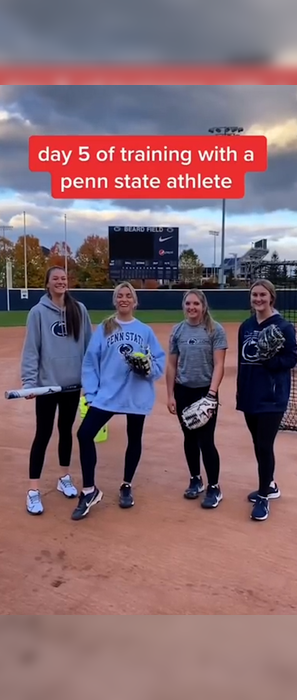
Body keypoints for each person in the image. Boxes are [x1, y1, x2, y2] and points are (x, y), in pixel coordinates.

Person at [71, 281, 166, 521]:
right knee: (84, 435)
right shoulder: (105, 327)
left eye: (128, 296)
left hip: (135, 393)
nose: (124, 299)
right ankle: (90, 490)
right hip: (108, 394)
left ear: (135, 301)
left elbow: (159, 362)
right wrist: (91, 394)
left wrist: (148, 369)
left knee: (134, 438)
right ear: (115, 301)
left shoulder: (145, 331)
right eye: (119, 296)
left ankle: (126, 485)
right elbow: (90, 362)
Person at [21, 266, 93, 515]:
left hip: (71, 385)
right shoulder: (38, 313)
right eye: (56, 279)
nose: (61, 282)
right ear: (48, 284)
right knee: (43, 433)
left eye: (64, 278)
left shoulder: (79, 310)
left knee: (66, 431)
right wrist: (30, 383)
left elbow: (88, 348)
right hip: (47, 386)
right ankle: (33, 491)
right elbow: (32, 350)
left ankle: (64, 477)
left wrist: (90, 382)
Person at [236, 278, 297, 521]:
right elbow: (243, 362)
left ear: (271, 297)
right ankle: (269, 485)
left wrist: (273, 361)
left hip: (272, 396)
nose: (258, 299)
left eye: (263, 295)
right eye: (254, 296)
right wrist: (240, 389)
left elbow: (292, 358)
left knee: (264, 445)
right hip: (250, 394)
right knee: (257, 444)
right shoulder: (246, 326)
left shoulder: (284, 326)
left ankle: (263, 496)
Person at [166, 289, 228, 509]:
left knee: (206, 440)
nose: (192, 307)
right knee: (189, 437)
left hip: (205, 392)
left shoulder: (215, 330)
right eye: (188, 303)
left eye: (196, 304)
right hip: (184, 391)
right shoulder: (178, 331)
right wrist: (170, 394)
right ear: (184, 306)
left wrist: (211, 394)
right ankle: (195, 479)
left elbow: (219, 364)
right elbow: (172, 364)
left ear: (203, 306)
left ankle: (214, 487)